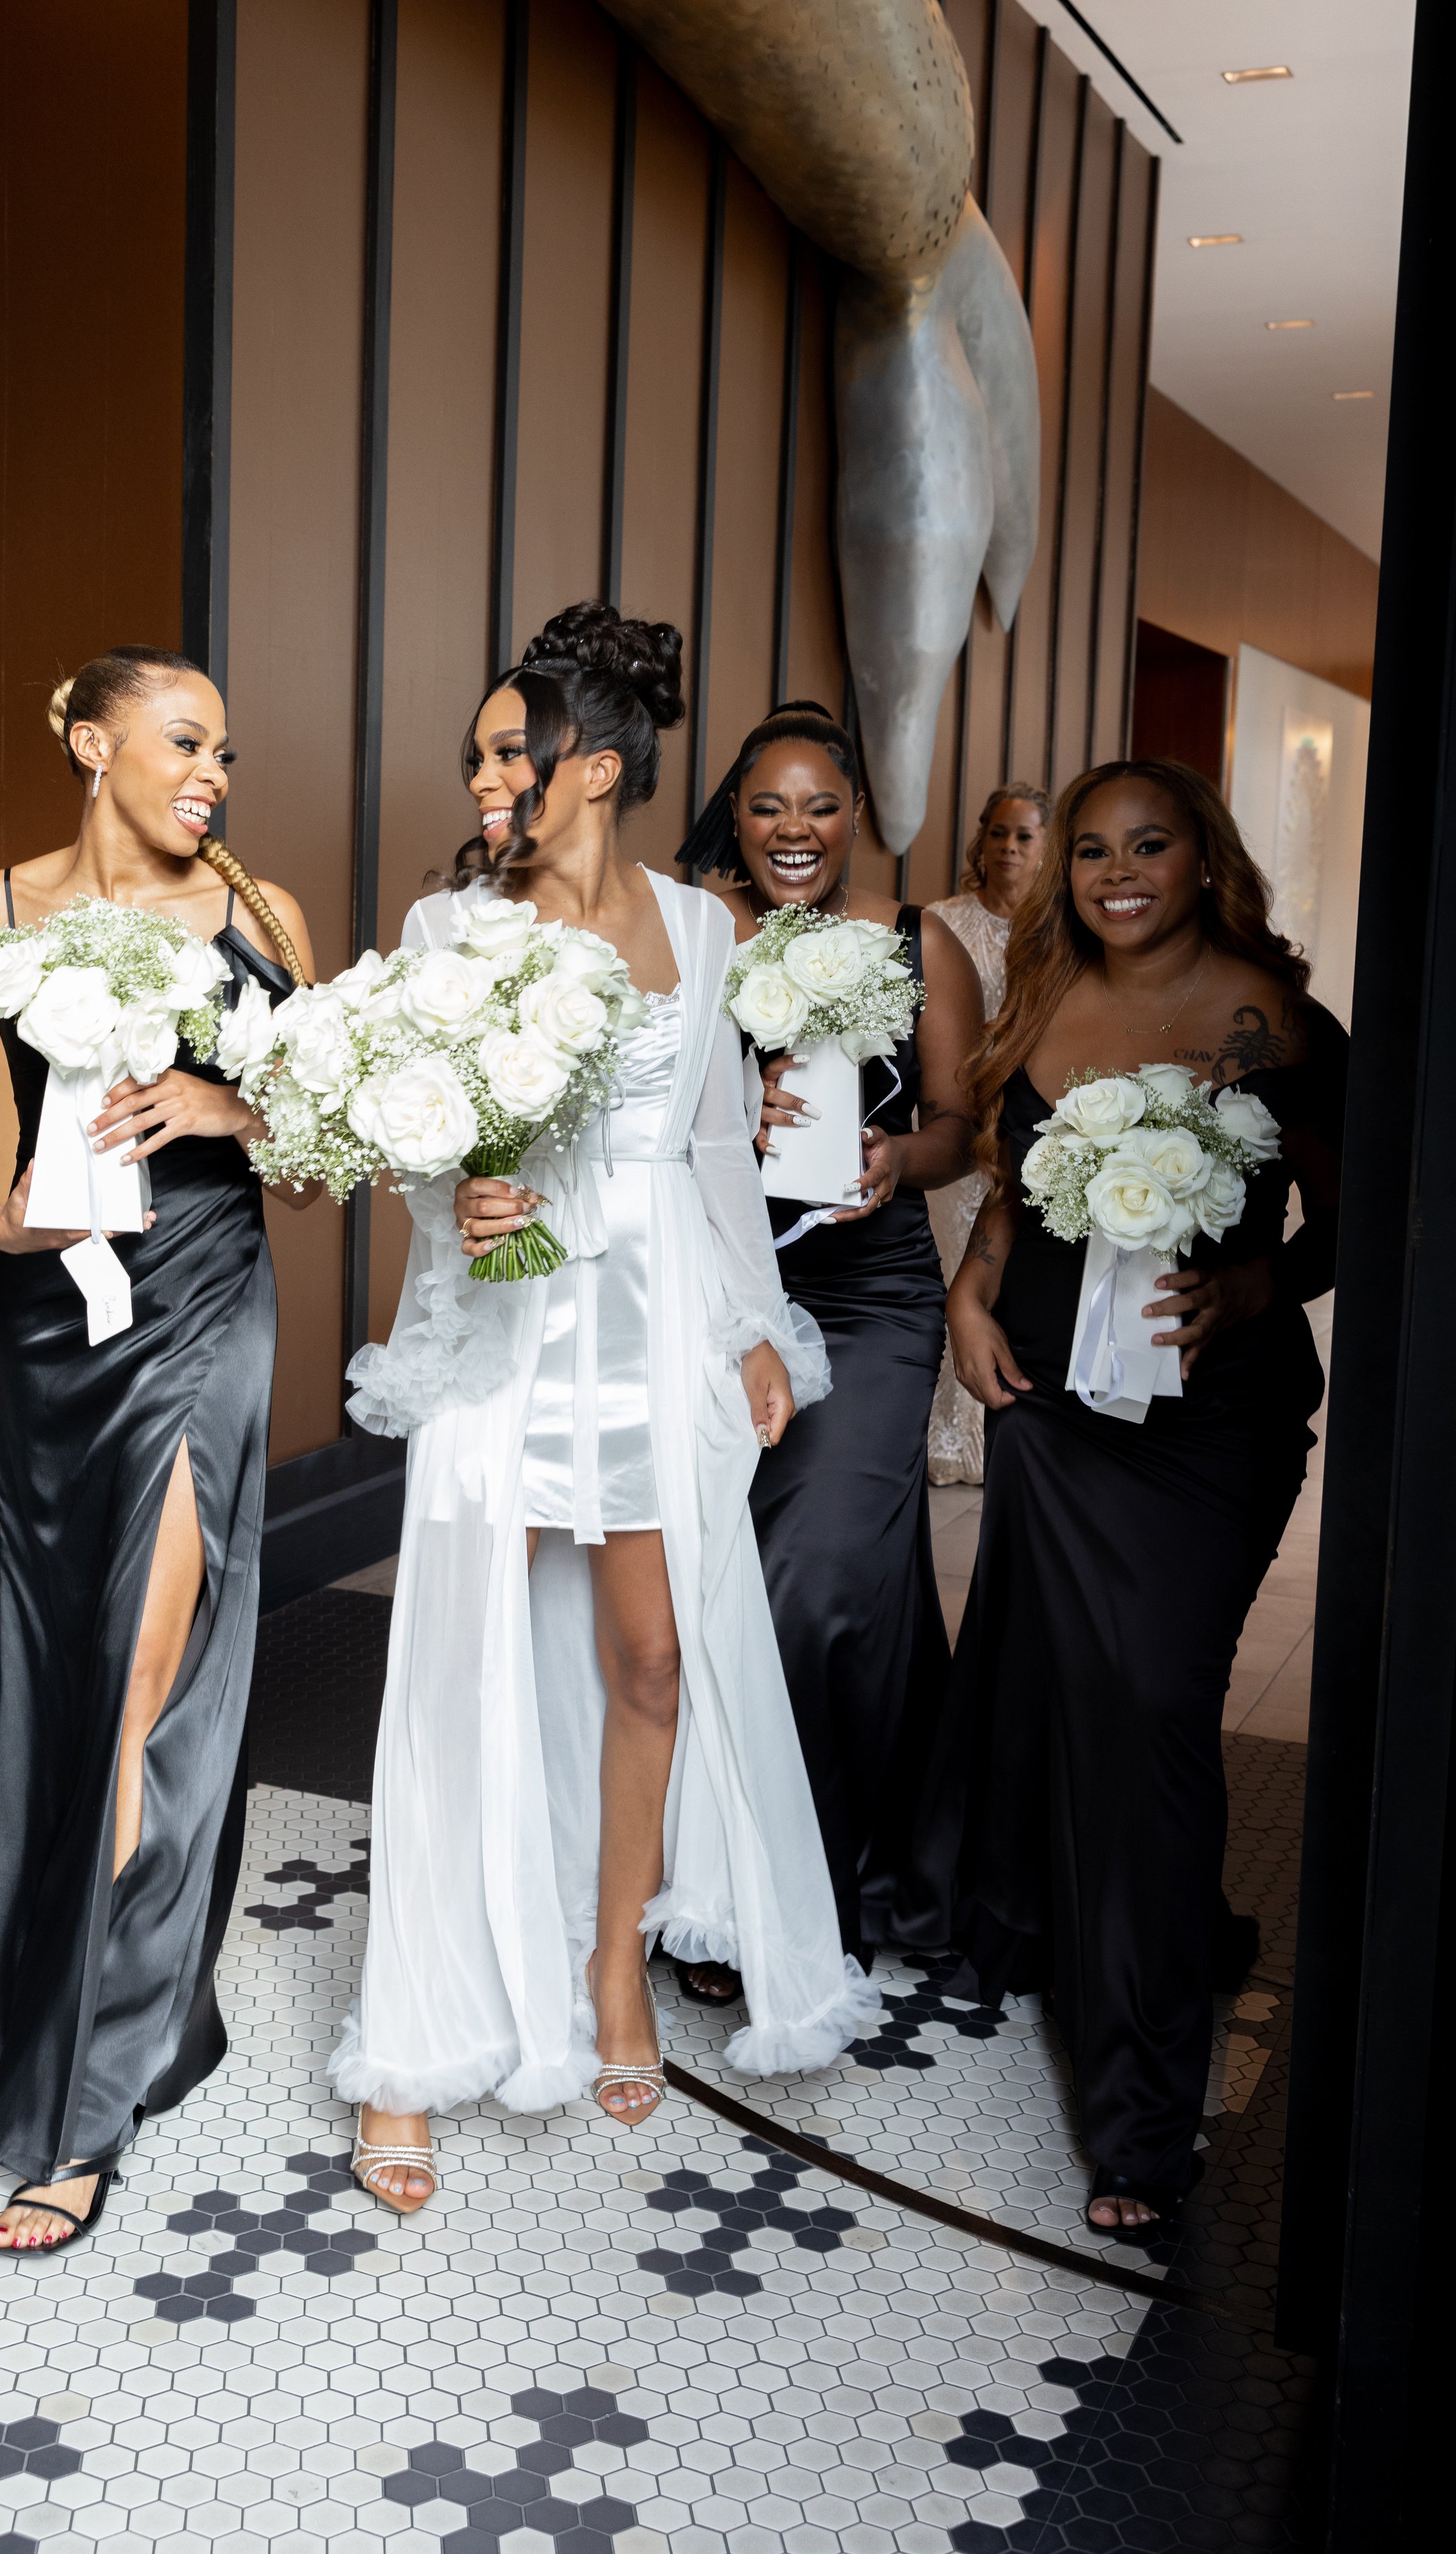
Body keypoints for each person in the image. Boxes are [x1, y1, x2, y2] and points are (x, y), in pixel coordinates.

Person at [335, 606, 878, 2213]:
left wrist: (762, 1325)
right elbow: (415, 1141)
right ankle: (418, 2037)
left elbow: (713, 1146)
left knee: (651, 1657)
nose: (488, 774)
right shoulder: (452, 930)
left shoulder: (702, 931)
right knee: (459, 1676)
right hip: (508, 1338)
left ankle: (611, 1962)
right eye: (482, 755)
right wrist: (460, 1187)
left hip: (652, 1339)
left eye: (512, 750)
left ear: (594, 766)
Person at [0, 647, 316, 2251]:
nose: (212, 769)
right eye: (182, 738)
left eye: (225, 745)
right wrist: (11, 1222)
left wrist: (227, 1109)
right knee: (73, 1672)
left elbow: (330, 1139)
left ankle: (78, 2110)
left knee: (149, 1670)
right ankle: (122, 2007)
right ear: (90, 740)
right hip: (54, 1322)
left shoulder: (261, 916)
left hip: (210, 1302)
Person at [931, 758, 1344, 2234]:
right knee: (1052, 1685)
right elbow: (1005, 1181)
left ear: (1199, 857)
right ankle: (1078, 1928)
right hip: (1047, 1412)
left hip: (1204, 1429)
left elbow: (1345, 1223)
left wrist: (1249, 1282)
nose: (1114, 870)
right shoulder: (1042, 1000)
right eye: (1090, 849)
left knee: (1156, 1708)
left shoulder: (1276, 1023)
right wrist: (971, 1301)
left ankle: (1142, 2104)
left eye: (1146, 844)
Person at [671, 704, 982, 2005]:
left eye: (819, 806)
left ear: (858, 814)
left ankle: (802, 1893)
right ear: (735, 819)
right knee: (755, 1583)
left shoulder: (922, 942)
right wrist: (728, 1120)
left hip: (869, 1293)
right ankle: (844, 1865)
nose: (794, 830)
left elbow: (965, 1124)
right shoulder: (695, 930)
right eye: (767, 807)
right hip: (728, 1284)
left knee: (814, 1578)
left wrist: (895, 1158)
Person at [925, 786, 1050, 1483]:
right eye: (998, 834)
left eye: (1024, 837)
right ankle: (947, 1437)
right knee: (951, 1264)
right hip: (958, 1123)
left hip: (1026, 1130)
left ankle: (993, 1421)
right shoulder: (942, 924)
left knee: (1007, 1270)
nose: (1008, 848)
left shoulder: (1063, 931)